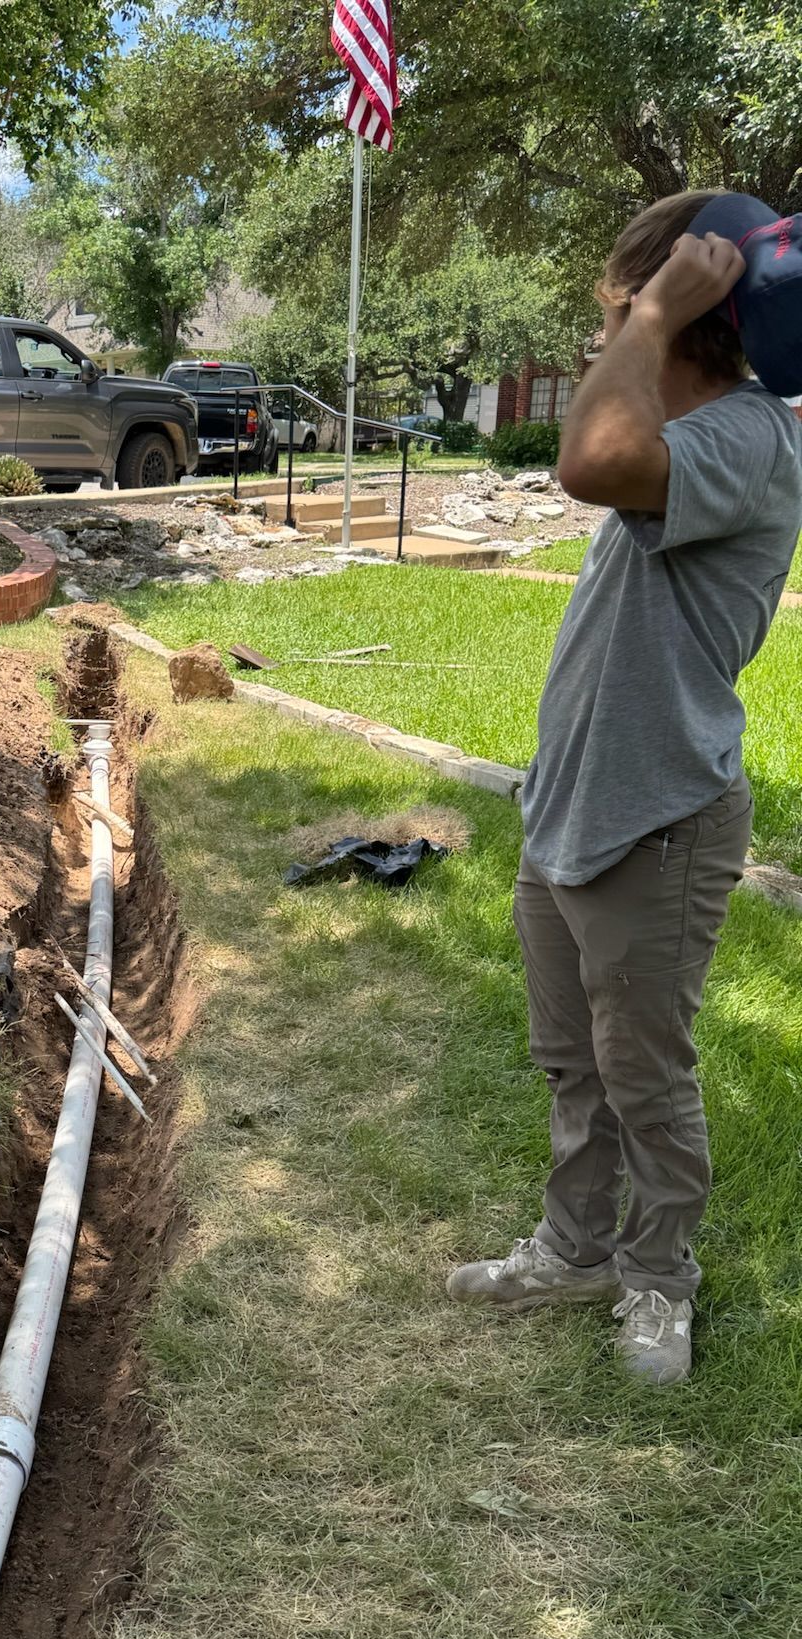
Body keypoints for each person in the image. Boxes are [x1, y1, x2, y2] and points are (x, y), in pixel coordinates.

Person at [448, 192, 802, 1384]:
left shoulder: (749, 440)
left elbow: (586, 458)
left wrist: (651, 309)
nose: (606, 333)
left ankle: (659, 1282)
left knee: (646, 1074)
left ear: (688, 310)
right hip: (574, 806)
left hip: (661, 819)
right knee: (575, 1062)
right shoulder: (671, 428)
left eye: (620, 310)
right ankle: (576, 1248)